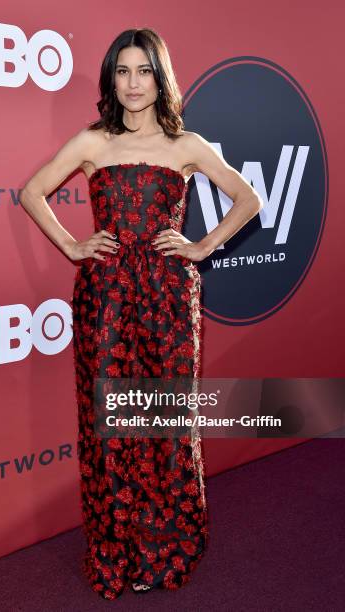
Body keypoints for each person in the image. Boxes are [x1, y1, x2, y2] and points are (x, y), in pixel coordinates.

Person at [20, 28, 262, 601]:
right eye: (122, 71)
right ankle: (116, 546)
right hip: (105, 296)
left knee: (165, 422)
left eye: (143, 71)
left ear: (161, 76)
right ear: (111, 79)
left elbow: (248, 198)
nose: (132, 83)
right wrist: (73, 246)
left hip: (168, 299)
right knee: (110, 421)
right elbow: (32, 192)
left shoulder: (186, 145)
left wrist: (201, 246)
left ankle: (166, 543)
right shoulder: (92, 142)